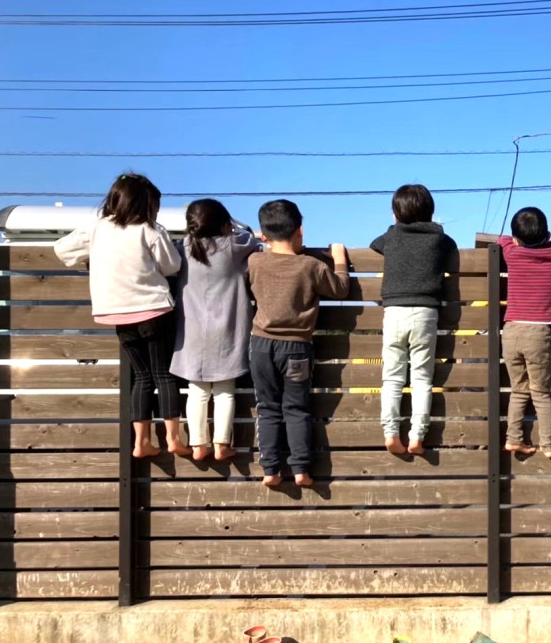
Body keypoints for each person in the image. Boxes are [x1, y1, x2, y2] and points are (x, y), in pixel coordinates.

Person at [54, 173, 191, 459]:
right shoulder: (150, 230)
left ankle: (141, 442)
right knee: (164, 375)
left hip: (116, 312)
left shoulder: (96, 228)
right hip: (154, 309)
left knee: (142, 377)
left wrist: (91, 260)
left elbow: (62, 250)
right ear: (147, 205)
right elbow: (172, 265)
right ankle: (173, 438)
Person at [248, 200, 349, 487]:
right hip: (296, 349)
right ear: (300, 230)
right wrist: (339, 259)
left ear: (264, 235)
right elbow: (341, 289)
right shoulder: (311, 266)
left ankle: (270, 470)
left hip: (261, 346)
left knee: (267, 407)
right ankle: (301, 469)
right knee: (297, 408)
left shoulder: (255, 262)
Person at [370, 184, 458, 456]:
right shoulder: (439, 239)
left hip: (394, 311)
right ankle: (417, 436)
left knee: (392, 378)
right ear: (430, 212)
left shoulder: (391, 236)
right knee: (421, 378)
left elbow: (374, 245)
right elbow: (452, 246)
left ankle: (390, 433)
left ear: (395, 214)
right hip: (425, 312)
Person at [170, 199, 260, 462]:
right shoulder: (234, 246)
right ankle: (222, 444)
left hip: (192, 330)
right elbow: (250, 239)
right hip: (228, 329)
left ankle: (198, 444)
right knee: (225, 389)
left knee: (197, 389)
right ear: (223, 222)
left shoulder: (183, 248)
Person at [498, 207, 551, 459]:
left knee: (518, 390)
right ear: (547, 235)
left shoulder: (511, 252)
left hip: (511, 330)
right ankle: (548, 444)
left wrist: (521, 242)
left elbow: (502, 239)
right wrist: (547, 243)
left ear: (516, 238)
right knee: (541, 393)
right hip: (537, 333)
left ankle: (513, 439)